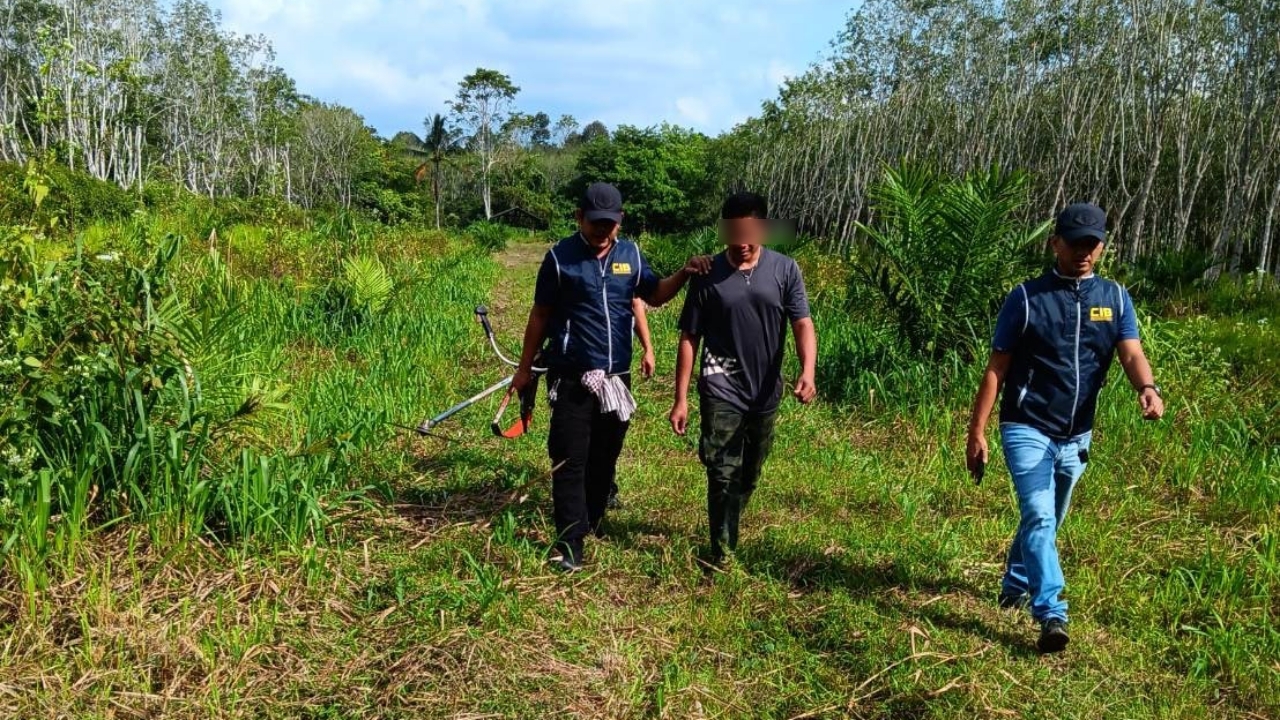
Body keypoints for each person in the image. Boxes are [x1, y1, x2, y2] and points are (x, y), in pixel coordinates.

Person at [965, 202, 1165, 653]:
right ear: (1055, 243)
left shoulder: (1114, 298)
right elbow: (997, 368)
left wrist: (1147, 388)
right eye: (1075, 243)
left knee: (1047, 519)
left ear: (1102, 247)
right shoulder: (1026, 298)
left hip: (1077, 435)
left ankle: (1015, 584)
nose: (1083, 252)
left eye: (1092, 244)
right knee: (1039, 515)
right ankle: (1051, 613)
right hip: (1027, 424)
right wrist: (976, 432)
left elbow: (1131, 352)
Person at [512, 182, 709, 572]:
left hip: (616, 379)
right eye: (595, 222)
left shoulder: (630, 255)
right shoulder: (559, 259)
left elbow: (655, 294)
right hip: (571, 377)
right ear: (579, 218)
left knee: (605, 456)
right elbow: (540, 315)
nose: (603, 230)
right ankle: (570, 543)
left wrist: (684, 273)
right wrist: (524, 369)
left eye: (610, 223)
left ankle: (592, 518)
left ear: (620, 220)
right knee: (569, 457)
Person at [669, 192, 817, 566]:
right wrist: (681, 398)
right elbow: (689, 337)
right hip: (720, 384)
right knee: (722, 472)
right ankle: (722, 554)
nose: (744, 242)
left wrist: (808, 371)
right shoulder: (707, 274)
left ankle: (727, 524)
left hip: (765, 390)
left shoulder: (785, 270)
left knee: (749, 472)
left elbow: (802, 323)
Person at [606, 298, 655, 511]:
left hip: (617, 367)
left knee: (613, 430)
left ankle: (606, 488)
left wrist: (648, 348)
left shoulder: (626, 274)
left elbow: (635, 303)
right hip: (576, 364)